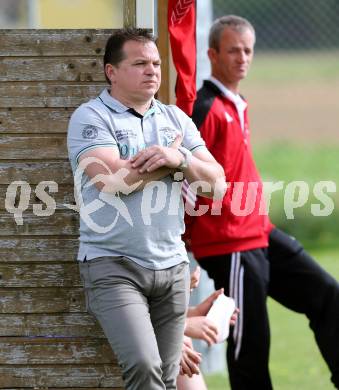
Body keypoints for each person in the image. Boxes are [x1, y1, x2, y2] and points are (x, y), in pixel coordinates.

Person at [184, 15, 339, 389]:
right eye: (233, 50)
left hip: (260, 234)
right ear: (213, 54)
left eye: (248, 50)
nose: (242, 58)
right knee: (251, 345)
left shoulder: (237, 103)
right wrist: (181, 241)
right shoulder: (205, 108)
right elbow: (185, 179)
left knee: (327, 294)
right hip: (230, 244)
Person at [67, 28, 225, 390]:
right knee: (143, 366)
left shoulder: (176, 120)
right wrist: (172, 163)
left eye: (155, 63)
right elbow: (114, 182)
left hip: (171, 267)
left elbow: (216, 185)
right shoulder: (90, 118)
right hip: (113, 265)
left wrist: (179, 156)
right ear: (112, 72)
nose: (152, 70)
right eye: (139, 63)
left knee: (168, 379)